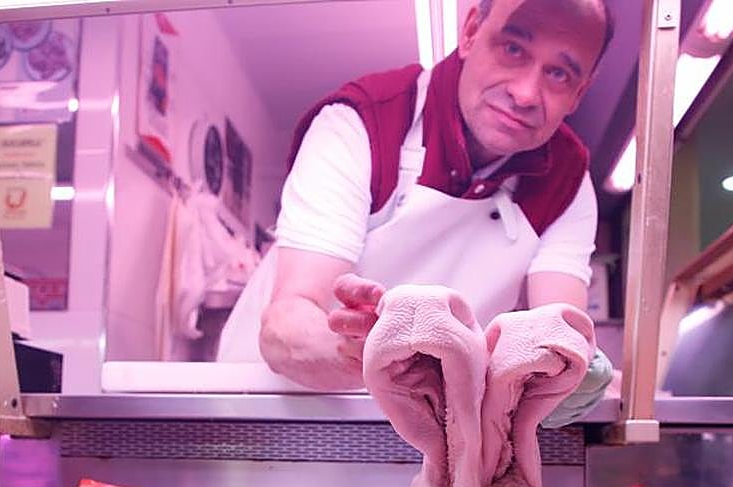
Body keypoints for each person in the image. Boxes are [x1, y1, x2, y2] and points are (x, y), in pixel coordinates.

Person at [218, 0, 615, 404]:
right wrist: (379, 356)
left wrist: (572, 373)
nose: (526, 93)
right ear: (471, 32)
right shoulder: (363, 123)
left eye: (559, 73)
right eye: (513, 49)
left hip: (428, 424)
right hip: (269, 406)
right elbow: (287, 323)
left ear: (579, 93)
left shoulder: (567, 181)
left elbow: (560, 334)